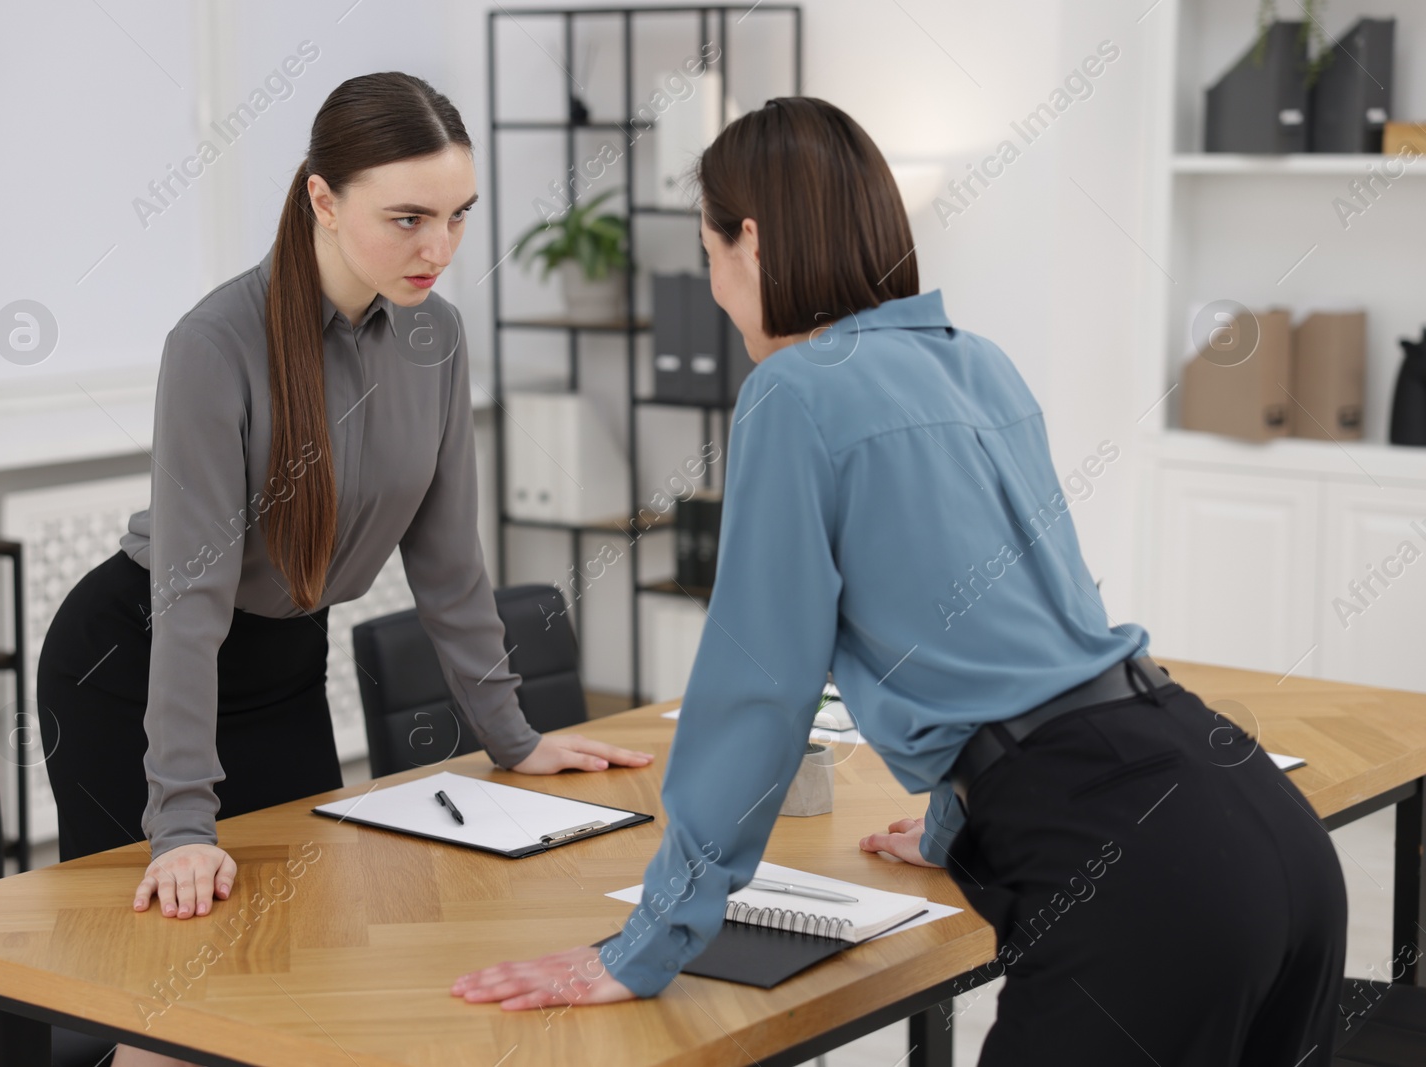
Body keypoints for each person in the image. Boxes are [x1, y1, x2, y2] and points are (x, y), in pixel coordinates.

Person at [451, 96, 1347, 1066]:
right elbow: (1042, 630)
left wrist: (649, 938)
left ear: (748, 241)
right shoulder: (980, 364)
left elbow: (758, 689)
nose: (708, 285)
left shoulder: (794, 393)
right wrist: (957, 815)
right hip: (1253, 823)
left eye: (705, 250)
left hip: (1138, 875)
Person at [38, 72, 652, 1067]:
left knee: (306, 964)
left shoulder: (435, 337)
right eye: (407, 218)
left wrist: (511, 735)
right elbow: (190, 599)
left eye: (458, 216)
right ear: (322, 198)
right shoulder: (215, 343)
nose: (438, 248)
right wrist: (182, 820)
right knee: (161, 1002)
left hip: (281, 667)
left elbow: (451, 564)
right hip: (136, 662)